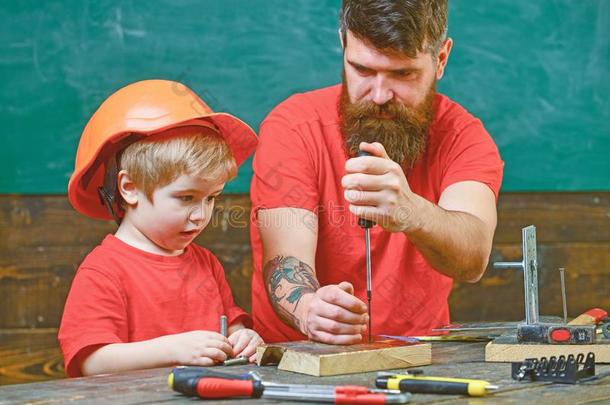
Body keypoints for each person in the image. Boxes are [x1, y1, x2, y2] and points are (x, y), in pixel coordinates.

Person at [250, 0, 504, 344]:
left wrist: (410, 211)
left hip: (415, 360)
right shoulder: (293, 127)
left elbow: (472, 259)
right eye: (363, 71)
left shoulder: (463, 137)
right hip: (298, 356)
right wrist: (310, 309)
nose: (380, 95)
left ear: (441, 59)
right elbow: (286, 257)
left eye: (403, 74)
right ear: (343, 45)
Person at [59, 79, 262, 377]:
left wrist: (244, 336)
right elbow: (91, 362)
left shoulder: (206, 263)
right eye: (186, 198)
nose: (200, 215)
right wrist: (172, 351)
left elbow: (231, 325)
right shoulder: (103, 271)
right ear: (130, 188)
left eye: (211, 198)